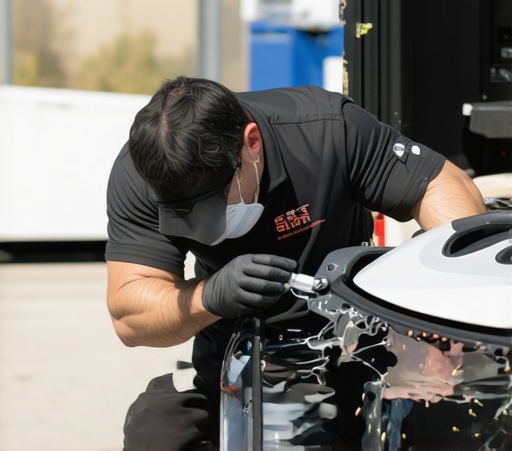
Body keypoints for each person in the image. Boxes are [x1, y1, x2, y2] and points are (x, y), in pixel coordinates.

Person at [105, 76, 487, 450]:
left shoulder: (325, 130)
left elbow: (442, 185)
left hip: (356, 348)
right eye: (183, 214)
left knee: (439, 424)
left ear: (251, 144)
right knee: (156, 434)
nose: (205, 228)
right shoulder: (143, 172)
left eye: (212, 205)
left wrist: (437, 308)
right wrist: (209, 296)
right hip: (236, 356)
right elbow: (129, 317)